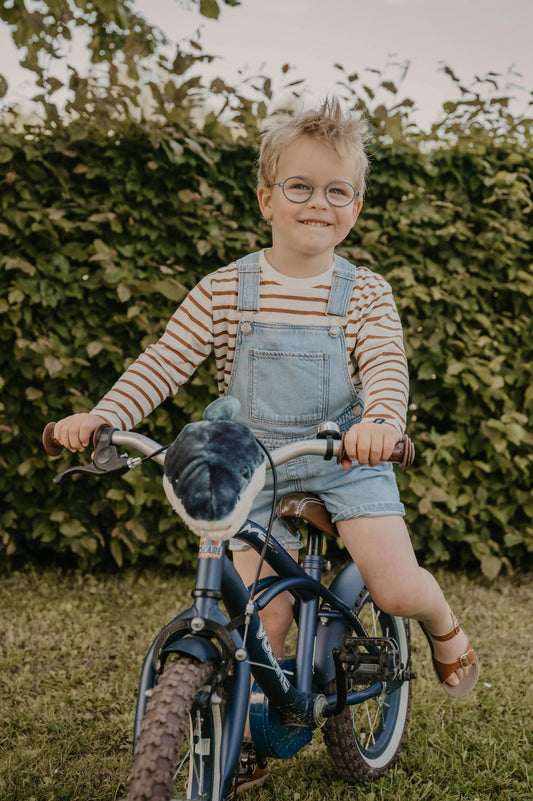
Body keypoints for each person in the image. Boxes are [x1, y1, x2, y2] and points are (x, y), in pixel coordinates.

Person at [52, 97, 479, 791]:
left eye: (336, 190)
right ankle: (246, 732)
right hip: (251, 465)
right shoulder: (226, 287)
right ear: (266, 198)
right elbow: (163, 361)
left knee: (395, 587)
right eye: (300, 187)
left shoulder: (364, 293)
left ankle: (441, 622)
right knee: (261, 613)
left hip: (347, 457)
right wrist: (103, 416)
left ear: (356, 206)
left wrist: (381, 422)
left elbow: (385, 365)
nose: (318, 203)